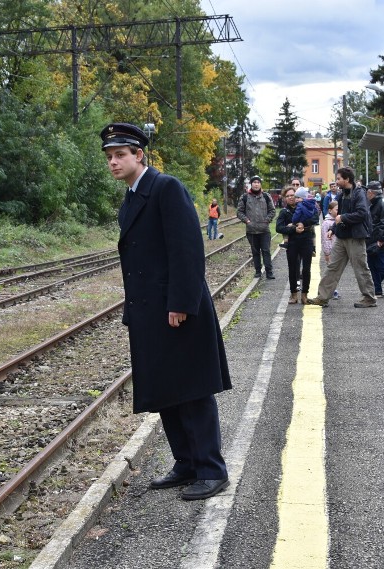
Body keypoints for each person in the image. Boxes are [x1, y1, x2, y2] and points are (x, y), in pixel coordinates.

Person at [102, 122, 231, 500]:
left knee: (191, 389)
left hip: (176, 309)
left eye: (120, 155)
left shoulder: (165, 188)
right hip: (149, 313)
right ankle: (186, 463)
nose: (114, 162)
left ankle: (211, 469)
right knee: (166, 389)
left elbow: (187, 250)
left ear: (138, 155)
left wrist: (180, 305)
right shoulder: (131, 197)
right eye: (110, 157)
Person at [306, 167, 377, 308]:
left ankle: (369, 297)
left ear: (347, 179)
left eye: (339, 179)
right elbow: (338, 216)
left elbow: (362, 213)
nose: (336, 181)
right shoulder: (341, 194)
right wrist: (333, 229)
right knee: (333, 266)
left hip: (356, 237)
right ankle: (323, 297)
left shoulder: (359, 193)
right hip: (342, 236)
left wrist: (343, 218)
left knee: (361, 267)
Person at [275, 186, 316, 304]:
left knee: (306, 269)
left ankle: (304, 295)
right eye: (287, 196)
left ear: (297, 195)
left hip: (306, 240)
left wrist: (303, 224)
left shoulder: (307, 205)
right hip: (292, 243)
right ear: (285, 199)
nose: (290, 198)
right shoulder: (284, 211)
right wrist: (293, 229)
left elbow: (314, 218)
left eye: (292, 195)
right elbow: (279, 227)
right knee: (293, 269)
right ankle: (294, 295)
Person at [237, 175, 276, 279]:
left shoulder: (266, 196)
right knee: (255, 252)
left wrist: (267, 220)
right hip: (251, 231)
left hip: (264, 230)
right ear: (251, 184)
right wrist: (247, 221)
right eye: (254, 182)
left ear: (260, 184)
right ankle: (258, 271)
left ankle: (269, 272)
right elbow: (239, 212)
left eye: (258, 182)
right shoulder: (244, 197)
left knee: (266, 251)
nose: (256, 184)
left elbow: (272, 210)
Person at [321, 200, 340, 299]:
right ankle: (332, 291)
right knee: (331, 272)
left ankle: (333, 290)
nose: (338, 211)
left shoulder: (338, 220)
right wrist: (327, 252)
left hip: (338, 250)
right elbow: (325, 239)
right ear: (330, 210)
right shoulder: (326, 223)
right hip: (330, 251)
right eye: (337, 209)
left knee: (335, 272)